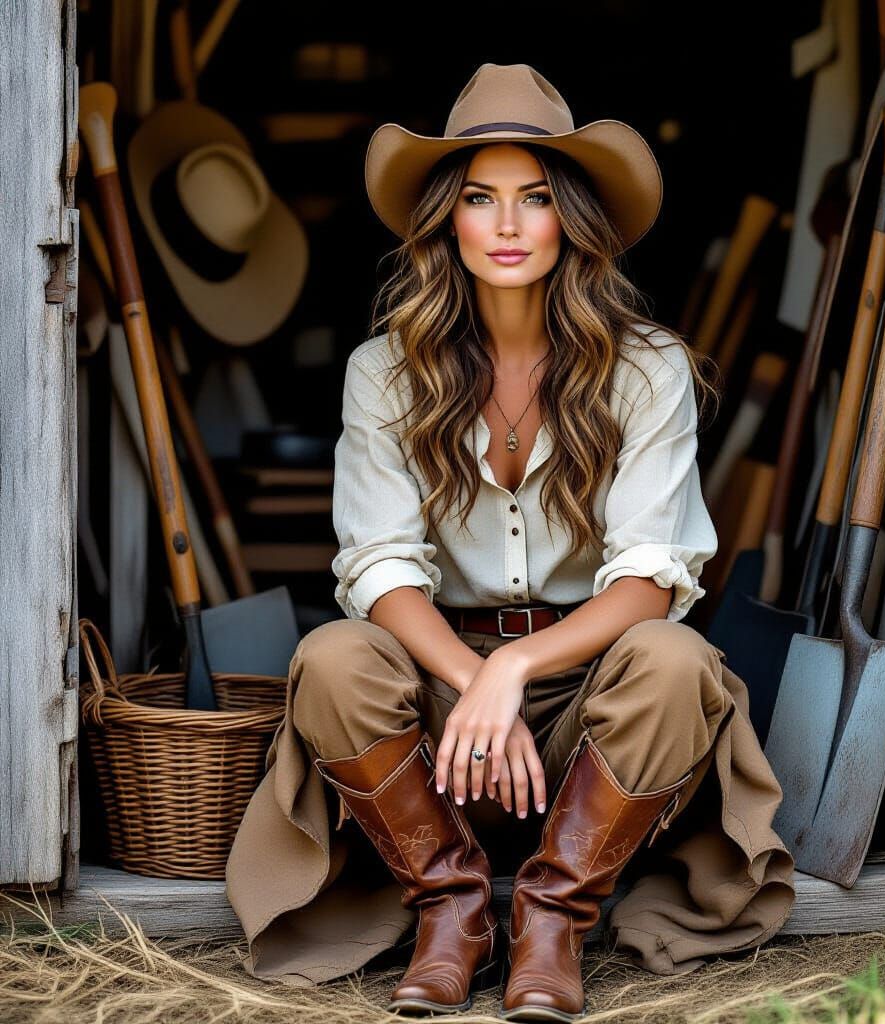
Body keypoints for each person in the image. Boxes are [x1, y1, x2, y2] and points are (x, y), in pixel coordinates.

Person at [225, 63, 795, 1021]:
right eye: (480, 198)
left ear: (569, 218)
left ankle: (551, 922)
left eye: (534, 199)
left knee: (674, 658)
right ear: (447, 217)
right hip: (434, 684)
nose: (505, 224)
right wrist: (465, 674)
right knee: (329, 656)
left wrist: (515, 668)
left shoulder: (647, 368)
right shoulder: (384, 373)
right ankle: (451, 910)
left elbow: (652, 577)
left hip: (587, 687)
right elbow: (379, 563)